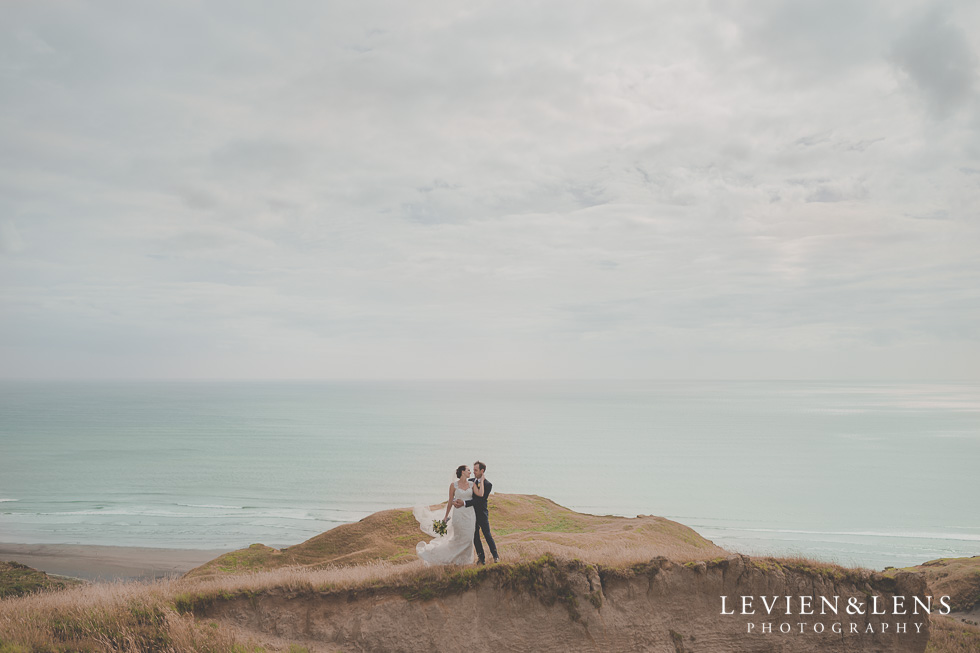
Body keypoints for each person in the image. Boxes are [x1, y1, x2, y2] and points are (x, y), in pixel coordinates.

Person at [414, 464, 484, 566]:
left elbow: (481, 494)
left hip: (469, 515)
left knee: (469, 538)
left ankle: (466, 560)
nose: (470, 472)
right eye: (468, 470)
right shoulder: (453, 486)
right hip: (458, 515)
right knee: (458, 538)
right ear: (462, 472)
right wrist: (446, 516)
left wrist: (481, 481)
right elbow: (450, 502)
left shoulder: (471, 484)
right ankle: (455, 560)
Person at [453, 460, 498, 564]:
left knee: (487, 535)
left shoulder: (488, 484)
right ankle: (481, 559)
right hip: (470, 514)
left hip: (482, 514)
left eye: (476, 470)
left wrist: (464, 503)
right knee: (475, 536)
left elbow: (480, 500)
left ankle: (496, 556)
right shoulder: (471, 481)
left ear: (482, 471)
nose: (473, 472)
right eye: (473, 470)